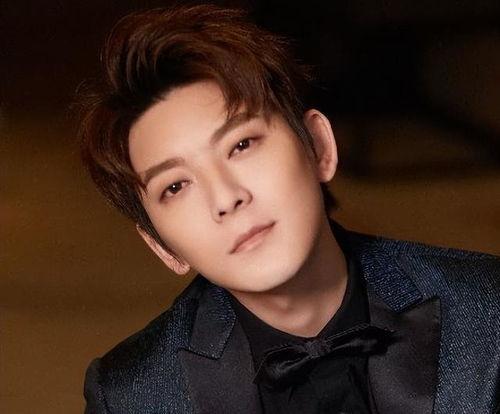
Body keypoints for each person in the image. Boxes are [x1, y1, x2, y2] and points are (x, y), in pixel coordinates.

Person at [79, 4, 500, 413]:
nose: (226, 198)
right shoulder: (130, 396)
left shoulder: (489, 314)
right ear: (161, 246)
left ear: (318, 146)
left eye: (241, 145)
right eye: (175, 186)